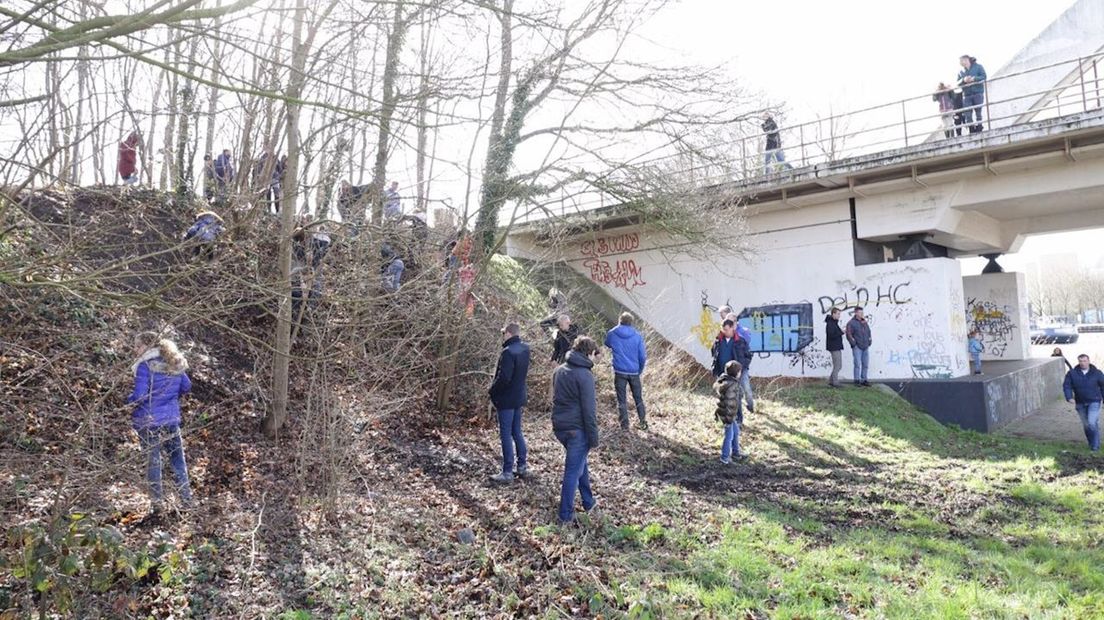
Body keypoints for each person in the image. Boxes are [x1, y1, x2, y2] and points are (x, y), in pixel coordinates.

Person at [126, 332, 194, 510]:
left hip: (149, 422)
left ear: (148, 346)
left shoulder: (145, 366)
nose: (135, 349)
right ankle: (186, 500)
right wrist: (170, 398)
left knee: (153, 462)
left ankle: (157, 504)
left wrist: (127, 401)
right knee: (178, 460)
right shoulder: (173, 362)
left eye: (138, 345)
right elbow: (186, 386)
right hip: (171, 420)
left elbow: (139, 396)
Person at [551, 336, 601, 525]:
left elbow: (554, 399)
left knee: (580, 464)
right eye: (594, 355)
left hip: (560, 427)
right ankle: (565, 515)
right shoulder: (585, 375)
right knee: (572, 471)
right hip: (577, 429)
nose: (595, 359)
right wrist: (593, 437)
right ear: (588, 353)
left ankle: (589, 502)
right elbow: (589, 410)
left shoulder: (559, 370)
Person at [488, 323, 531, 482]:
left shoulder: (508, 352)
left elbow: (504, 378)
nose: (503, 336)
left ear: (509, 333)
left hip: (506, 399)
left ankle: (507, 471)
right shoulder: (525, 349)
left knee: (506, 434)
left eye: (504, 333)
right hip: (518, 396)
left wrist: (492, 391)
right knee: (517, 432)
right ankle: (522, 466)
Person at [604, 312, 648, 430]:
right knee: (638, 398)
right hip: (634, 371)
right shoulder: (638, 336)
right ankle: (643, 423)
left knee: (621, 399)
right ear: (631, 322)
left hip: (619, 371)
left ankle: (624, 425)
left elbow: (607, 343)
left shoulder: (612, 333)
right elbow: (643, 356)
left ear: (619, 320)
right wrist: (640, 369)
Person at [1062, 354, 1104, 452]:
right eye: (1081, 361)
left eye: (1085, 361)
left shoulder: (1096, 373)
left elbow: (1103, 386)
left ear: (1088, 361)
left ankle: (1095, 446)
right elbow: (1067, 386)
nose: (1083, 363)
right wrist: (1069, 397)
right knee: (1086, 425)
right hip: (1080, 403)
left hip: (1094, 401)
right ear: (1078, 362)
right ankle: (1092, 443)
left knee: (1091, 423)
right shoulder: (1072, 373)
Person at [714, 360, 748, 464]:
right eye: (739, 371)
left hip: (729, 414)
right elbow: (729, 402)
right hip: (728, 415)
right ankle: (725, 457)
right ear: (737, 373)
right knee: (729, 436)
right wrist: (729, 418)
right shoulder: (731, 385)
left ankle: (736, 452)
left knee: (736, 432)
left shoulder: (725, 381)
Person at [957, 55, 987, 134]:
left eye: (961, 60)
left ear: (967, 60)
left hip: (978, 93)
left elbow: (984, 76)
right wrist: (964, 80)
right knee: (968, 114)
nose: (960, 63)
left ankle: (979, 127)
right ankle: (971, 128)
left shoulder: (978, 67)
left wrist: (974, 78)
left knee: (978, 112)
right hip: (966, 95)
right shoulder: (961, 72)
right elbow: (957, 83)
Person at [846, 306, 872, 386]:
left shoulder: (864, 322)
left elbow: (868, 331)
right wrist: (853, 344)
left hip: (865, 346)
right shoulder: (851, 323)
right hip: (858, 347)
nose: (862, 314)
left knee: (865, 364)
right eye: (860, 313)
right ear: (856, 313)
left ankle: (864, 379)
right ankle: (856, 380)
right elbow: (849, 334)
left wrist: (869, 340)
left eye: (862, 313)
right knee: (857, 364)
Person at [825, 307, 844, 388]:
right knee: (838, 365)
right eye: (838, 314)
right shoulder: (830, 323)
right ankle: (835, 382)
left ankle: (831, 381)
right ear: (833, 314)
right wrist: (841, 333)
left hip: (836, 346)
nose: (839, 316)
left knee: (837, 365)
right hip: (834, 347)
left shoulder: (833, 322)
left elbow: (836, 332)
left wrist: (841, 332)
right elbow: (831, 335)